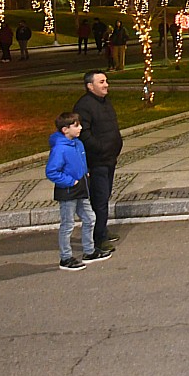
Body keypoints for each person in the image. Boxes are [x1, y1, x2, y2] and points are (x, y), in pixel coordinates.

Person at [45, 112, 112, 270]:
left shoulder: (77, 143)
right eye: (76, 125)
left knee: (90, 218)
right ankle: (65, 257)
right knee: (68, 224)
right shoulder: (60, 149)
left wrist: (85, 172)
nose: (80, 128)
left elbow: (80, 161)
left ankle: (89, 251)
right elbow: (52, 171)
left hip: (81, 187)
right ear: (65, 130)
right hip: (68, 191)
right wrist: (71, 181)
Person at [73, 71, 124, 253]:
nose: (106, 84)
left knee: (105, 196)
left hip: (109, 158)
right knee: (100, 198)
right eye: (101, 82)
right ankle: (99, 238)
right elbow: (84, 134)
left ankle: (101, 229)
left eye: (106, 81)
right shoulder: (84, 106)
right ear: (90, 86)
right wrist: (101, 148)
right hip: (97, 160)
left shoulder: (104, 102)